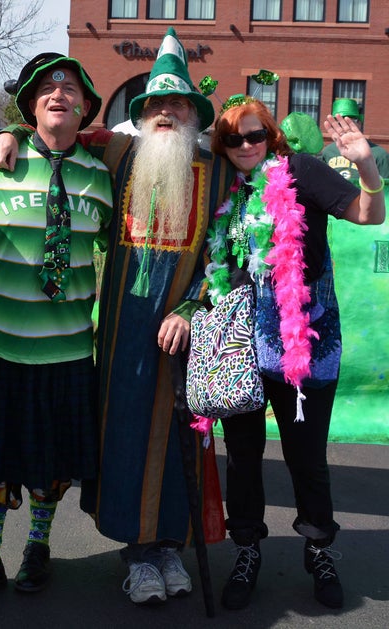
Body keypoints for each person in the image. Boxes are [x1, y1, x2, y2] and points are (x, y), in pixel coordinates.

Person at [0, 27, 230, 606]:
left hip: (185, 332)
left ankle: (170, 544)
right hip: (122, 334)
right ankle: (138, 554)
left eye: (177, 105)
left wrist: (195, 308)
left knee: (181, 440)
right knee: (123, 435)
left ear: (194, 114)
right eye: (156, 105)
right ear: (141, 114)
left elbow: (226, 256)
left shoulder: (219, 173)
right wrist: (10, 132)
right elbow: (58, 129)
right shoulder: (116, 154)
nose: (166, 114)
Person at [0, 53, 113, 613]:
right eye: (45, 90)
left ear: (85, 108)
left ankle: (39, 547)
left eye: (71, 90)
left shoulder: (104, 177)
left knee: (53, 464)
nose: (59, 95)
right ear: (30, 106)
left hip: (65, 354)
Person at [207, 97, 385, 611]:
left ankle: (319, 547)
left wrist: (365, 162)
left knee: (306, 458)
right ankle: (247, 550)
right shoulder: (222, 182)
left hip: (306, 340)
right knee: (241, 457)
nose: (245, 146)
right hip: (239, 342)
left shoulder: (300, 172)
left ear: (272, 136)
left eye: (255, 135)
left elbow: (368, 215)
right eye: (233, 138)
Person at [319, 98, 389, 181]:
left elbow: (385, 190)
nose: (344, 126)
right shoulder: (328, 152)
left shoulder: (380, 155)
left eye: (349, 122)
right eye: (339, 123)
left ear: (359, 122)